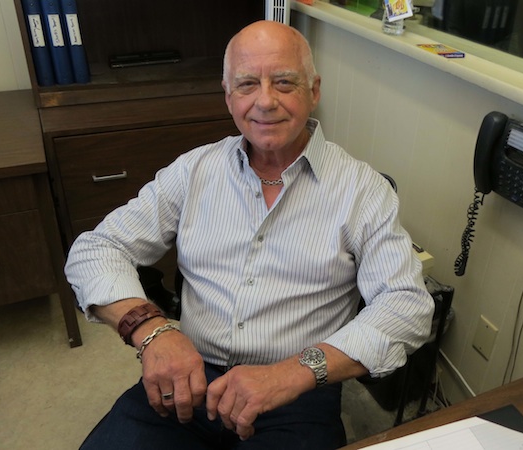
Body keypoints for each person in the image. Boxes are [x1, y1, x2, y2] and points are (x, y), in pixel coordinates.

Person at [65, 20, 434, 450]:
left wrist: (294, 372)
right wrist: (152, 332)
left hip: (296, 390)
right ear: (228, 96)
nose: (265, 101)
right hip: (191, 376)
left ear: (314, 90)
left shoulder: (363, 190)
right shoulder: (194, 171)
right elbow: (96, 247)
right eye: (246, 84)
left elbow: (405, 307)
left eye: (283, 82)